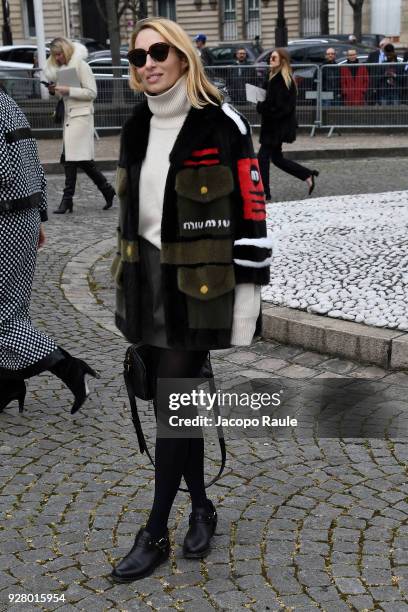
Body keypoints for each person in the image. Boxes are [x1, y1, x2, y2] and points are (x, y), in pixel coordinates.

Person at [110, 17, 271, 582]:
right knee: (174, 405)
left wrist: (247, 304)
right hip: (147, 281)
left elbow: (253, 213)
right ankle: (202, 507)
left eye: (159, 52)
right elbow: (131, 222)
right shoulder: (133, 128)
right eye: (137, 57)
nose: (148, 63)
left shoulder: (221, 124)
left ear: (182, 57)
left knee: (171, 408)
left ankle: (154, 531)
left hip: (199, 287)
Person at [0, 89, 98, 414]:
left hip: (5, 219)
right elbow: (33, 163)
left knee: (4, 315)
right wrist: (39, 216)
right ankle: (8, 382)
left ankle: (71, 369)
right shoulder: (7, 102)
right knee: (12, 307)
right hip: (22, 217)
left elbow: (3, 171)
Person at [44, 37, 115, 214]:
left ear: (66, 51)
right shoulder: (64, 70)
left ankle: (67, 200)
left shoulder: (82, 66)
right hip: (70, 118)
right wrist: (56, 91)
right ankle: (107, 190)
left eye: (59, 54)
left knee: (70, 159)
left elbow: (92, 93)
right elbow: (66, 97)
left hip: (81, 118)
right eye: (55, 55)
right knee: (81, 161)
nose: (58, 58)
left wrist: (68, 90)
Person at [256, 48, 318, 201]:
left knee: (262, 157)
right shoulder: (272, 77)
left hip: (276, 127)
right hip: (273, 126)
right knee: (277, 158)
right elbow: (267, 98)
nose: (271, 60)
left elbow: (282, 107)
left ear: (282, 60)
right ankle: (307, 174)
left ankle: (264, 192)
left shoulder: (283, 80)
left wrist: (262, 107)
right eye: (270, 58)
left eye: (274, 58)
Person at [366, 37, 391, 104]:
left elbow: (395, 68)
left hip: (385, 85)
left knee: (384, 106)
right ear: (381, 46)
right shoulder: (372, 55)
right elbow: (367, 68)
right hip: (373, 84)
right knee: (371, 105)